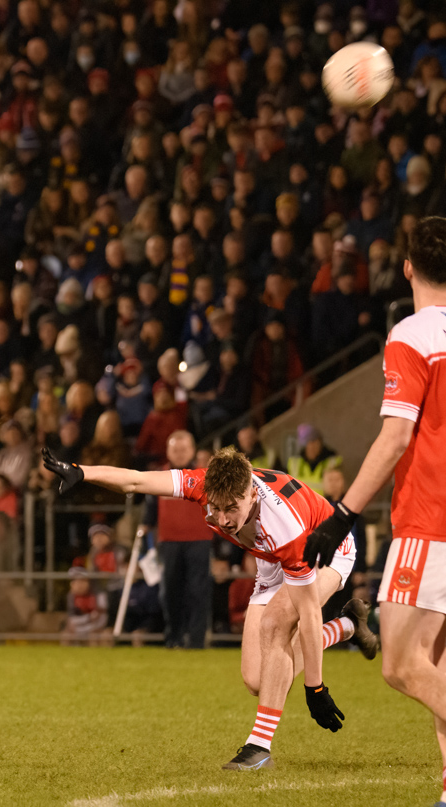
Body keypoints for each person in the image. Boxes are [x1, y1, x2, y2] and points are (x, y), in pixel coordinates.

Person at [43, 445, 379, 770]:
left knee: (275, 626)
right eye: (215, 508)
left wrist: (315, 687)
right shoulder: (208, 484)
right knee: (257, 681)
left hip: (324, 552)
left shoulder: (286, 528)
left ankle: (259, 747)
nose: (222, 519)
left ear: (251, 495)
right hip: (271, 559)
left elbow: (308, 612)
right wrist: (82, 472)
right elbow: (137, 480)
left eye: (230, 508)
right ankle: (348, 625)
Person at [302, 216, 446, 806]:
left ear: (408, 268)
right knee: (437, 664)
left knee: (399, 662)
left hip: (430, 518)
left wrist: (342, 512)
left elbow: (394, 438)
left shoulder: (413, 334)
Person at [139, 431, 214, 649]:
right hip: (169, 542)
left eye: (184, 449)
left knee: (198, 592)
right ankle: (174, 638)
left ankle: (197, 641)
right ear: (168, 451)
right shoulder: (160, 476)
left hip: (200, 541)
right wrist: (145, 527)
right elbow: (150, 508)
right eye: (175, 449)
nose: (180, 454)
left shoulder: (205, 476)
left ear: (192, 450)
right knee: (170, 592)